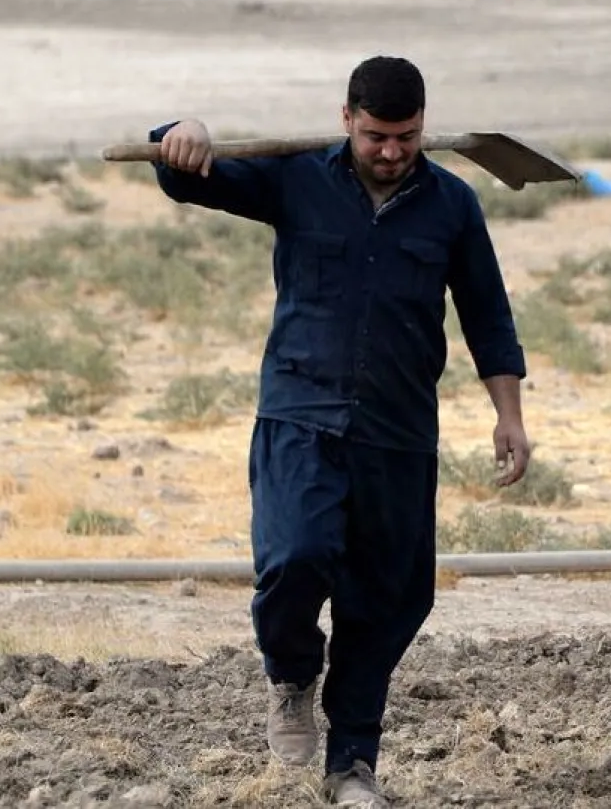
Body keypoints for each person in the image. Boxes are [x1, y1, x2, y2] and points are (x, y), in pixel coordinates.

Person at [147, 55, 532, 807]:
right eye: (376, 136)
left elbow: (488, 315)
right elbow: (186, 173)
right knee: (295, 559)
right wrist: (179, 133)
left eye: (408, 138)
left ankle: (351, 764)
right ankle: (291, 674)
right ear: (345, 119)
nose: (391, 152)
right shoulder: (294, 178)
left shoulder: (452, 205)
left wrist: (508, 416)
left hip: (398, 431)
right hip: (299, 417)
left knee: (388, 598)